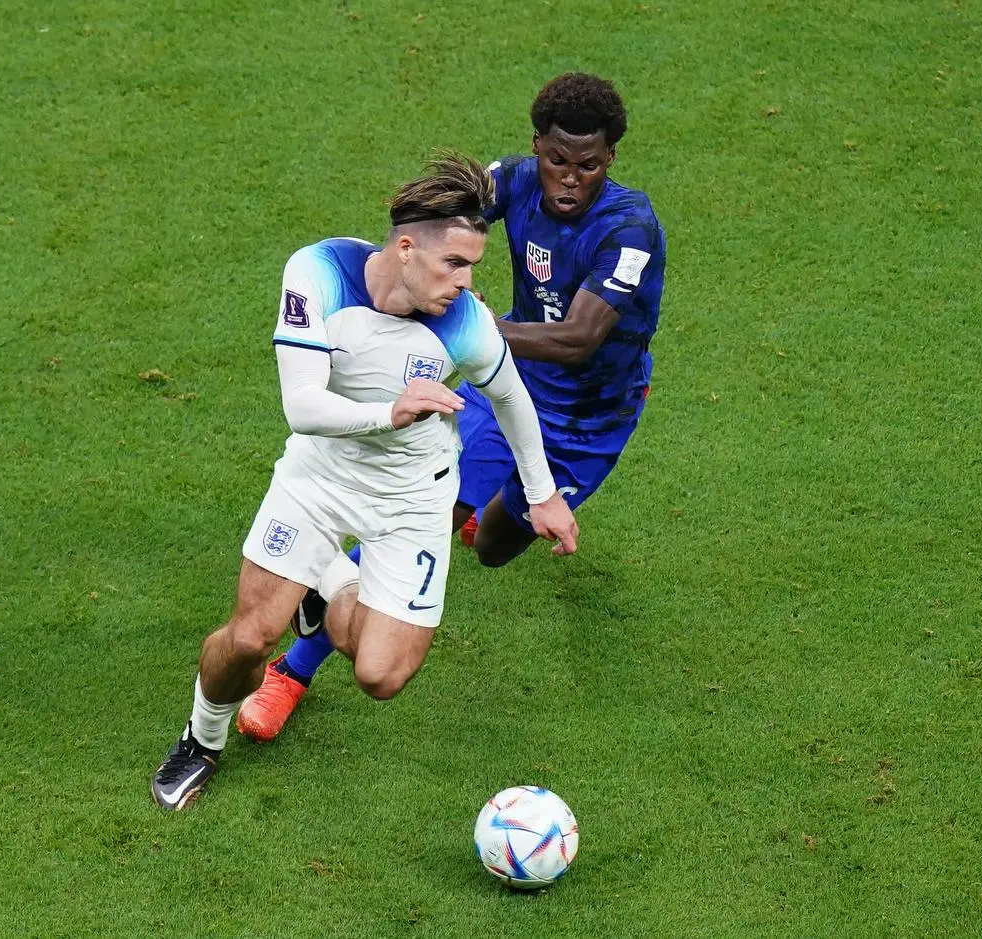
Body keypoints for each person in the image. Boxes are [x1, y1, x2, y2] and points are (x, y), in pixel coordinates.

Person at [239, 72, 665, 743]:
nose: (568, 178)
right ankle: (293, 666)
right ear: (537, 147)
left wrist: (475, 334)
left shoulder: (628, 230)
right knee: (429, 502)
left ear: (610, 158)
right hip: (508, 387)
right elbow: (434, 227)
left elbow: (580, 338)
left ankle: (484, 508)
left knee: (493, 548)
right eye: (556, 160)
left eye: (587, 165)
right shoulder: (514, 181)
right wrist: (394, 283)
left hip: (591, 419)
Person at [150, 152, 578, 810]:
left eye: (473, 267)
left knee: (382, 673)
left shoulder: (465, 323)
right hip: (320, 477)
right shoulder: (318, 271)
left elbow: (514, 398)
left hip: (413, 495)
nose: (467, 283)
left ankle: (326, 581)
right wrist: (392, 410)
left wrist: (542, 492)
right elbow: (303, 407)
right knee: (250, 637)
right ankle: (200, 741)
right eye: (454, 264)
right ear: (406, 248)